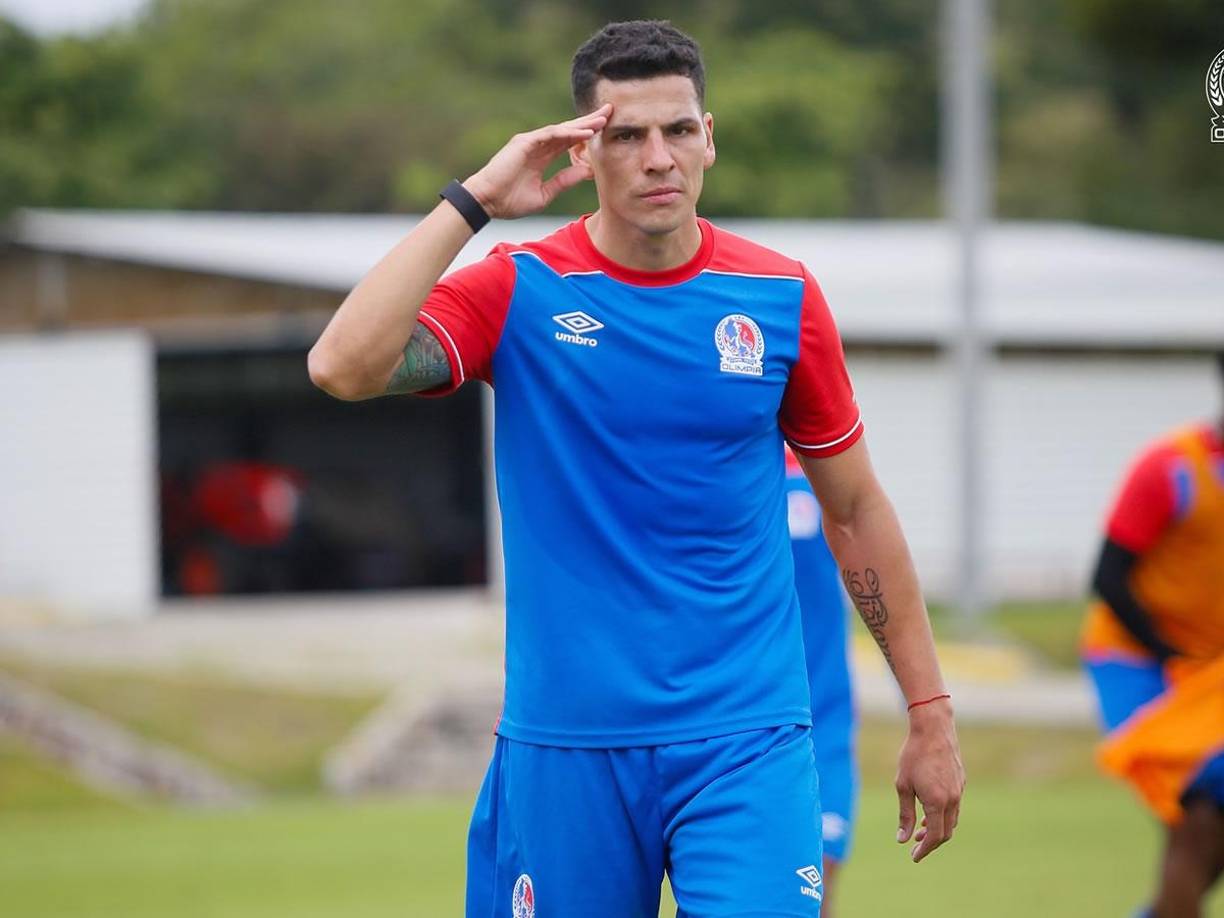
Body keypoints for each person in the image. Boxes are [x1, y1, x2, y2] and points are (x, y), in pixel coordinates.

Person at [309, 20, 963, 917]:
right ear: (586, 150)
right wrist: (474, 203)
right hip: (566, 746)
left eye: (679, 130)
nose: (658, 158)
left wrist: (929, 712)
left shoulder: (781, 298)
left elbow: (854, 511)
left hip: (747, 739)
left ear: (709, 139)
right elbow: (342, 366)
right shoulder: (518, 286)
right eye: (626, 135)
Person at [1081, 353, 1224, 918]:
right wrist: (1168, 651)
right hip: (1136, 660)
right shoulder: (1172, 468)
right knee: (1194, 810)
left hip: (1208, 668)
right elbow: (1107, 576)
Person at [786, 445, 858, 917]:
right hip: (742, 713)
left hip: (824, 714)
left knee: (817, 885)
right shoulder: (711, 466)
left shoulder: (832, 469)